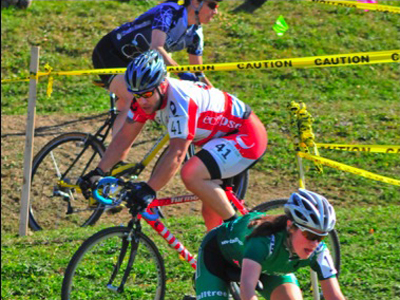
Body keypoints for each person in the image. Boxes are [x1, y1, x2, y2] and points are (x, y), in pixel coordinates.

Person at [79, 49, 268, 231]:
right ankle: (227, 258)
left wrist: (149, 189)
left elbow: (177, 153)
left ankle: (237, 228)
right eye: (136, 95)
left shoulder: (181, 100)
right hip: (220, 139)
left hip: (245, 134)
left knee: (191, 173)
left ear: (162, 84)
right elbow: (124, 138)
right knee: (211, 216)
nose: (142, 101)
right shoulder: (143, 99)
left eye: (146, 94)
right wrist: (99, 171)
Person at [92, 0, 221, 136]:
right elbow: (156, 47)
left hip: (136, 64)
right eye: (212, 6)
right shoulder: (169, 11)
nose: (216, 12)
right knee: (135, 98)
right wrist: (181, 72)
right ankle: (114, 154)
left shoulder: (195, 34)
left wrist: (217, 97)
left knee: (152, 98)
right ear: (195, 2)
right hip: (111, 52)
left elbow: (198, 74)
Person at [194, 189, 346, 300]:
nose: (314, 243)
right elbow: (247, 292)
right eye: (309, 235)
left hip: (264, 266)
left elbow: (334, 296)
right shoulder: (263, 240)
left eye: (321, 237)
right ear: (290, 226)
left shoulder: (319, 251)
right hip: (218, 255)